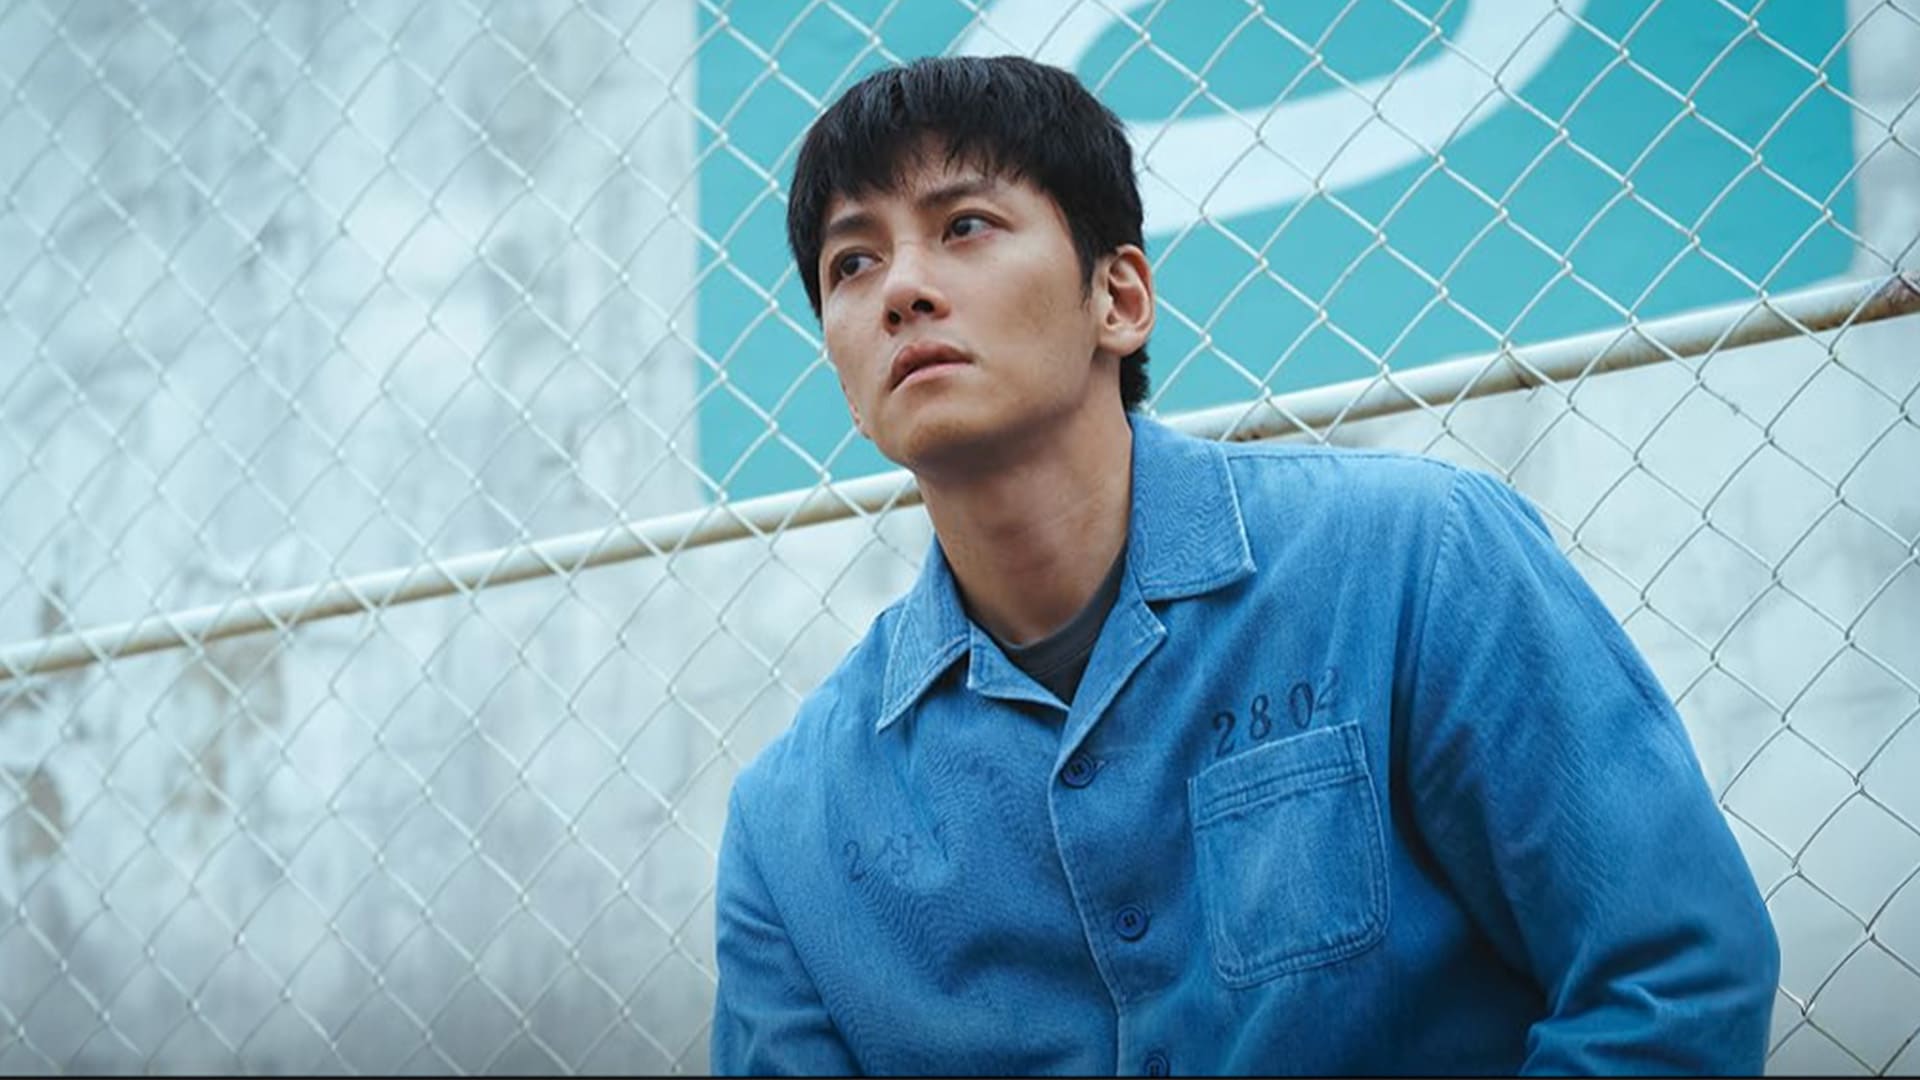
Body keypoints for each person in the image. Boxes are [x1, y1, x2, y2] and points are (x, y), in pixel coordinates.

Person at [709, 55, 1779, 1075]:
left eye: (965, 226)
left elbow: (1670, 976)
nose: (901, 289)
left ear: (1118, 300)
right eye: (853, 263)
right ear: (846, 381)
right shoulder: (789, 830)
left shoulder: (1417, 560)